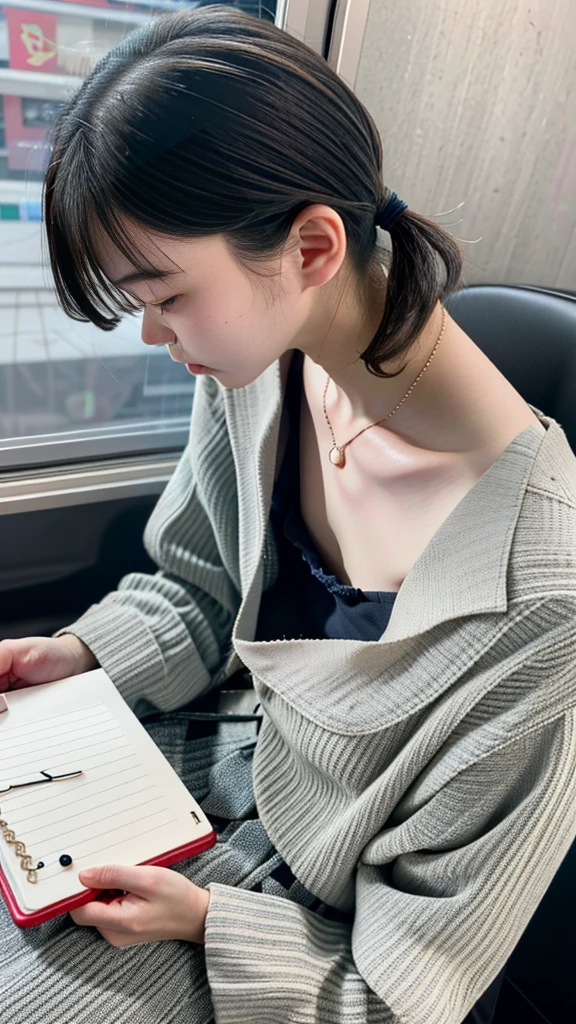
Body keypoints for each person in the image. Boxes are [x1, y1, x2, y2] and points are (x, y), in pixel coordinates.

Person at [1, 7, 575, 1024]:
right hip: (201, 766)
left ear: (312, 245)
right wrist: (81, 656)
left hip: (311, 930)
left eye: (166, 294)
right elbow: (197, 587)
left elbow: (413, 987)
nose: (152, 332)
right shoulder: (259, 361)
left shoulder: (545, 604)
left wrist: (213, 921)